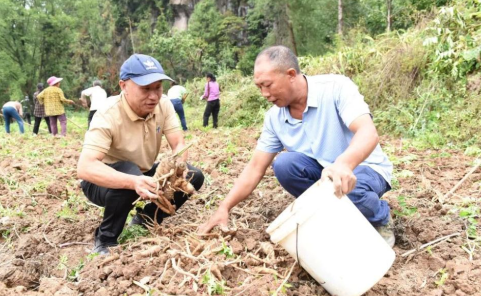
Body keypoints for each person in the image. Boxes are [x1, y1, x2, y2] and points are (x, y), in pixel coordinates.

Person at [198, 46, 395, 247]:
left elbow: (368, 132)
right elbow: (255, 168)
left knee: (348, 189)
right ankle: (333, 212)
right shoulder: (275, 118)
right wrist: (224, 207)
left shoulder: (335, 87)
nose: (264, 94)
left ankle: (380, 218)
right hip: (323, 173)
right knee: (284, 164)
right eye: (259, 87)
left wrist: (344, 164)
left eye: (268, 85)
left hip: (364, 169)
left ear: (291, 74)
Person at [77, 54, 204, 255]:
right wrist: (133, 182)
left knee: (193, 175)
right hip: (100, 182)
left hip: (142, 172)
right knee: (130, 176)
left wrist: (173, 172)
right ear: (123, 86)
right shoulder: (108, 113)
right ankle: (105, 239)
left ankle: (145, 219)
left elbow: (178, 143)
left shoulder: (164, 104)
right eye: (145, 89)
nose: (153, 96)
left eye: (158, 87)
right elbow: (86, 168)